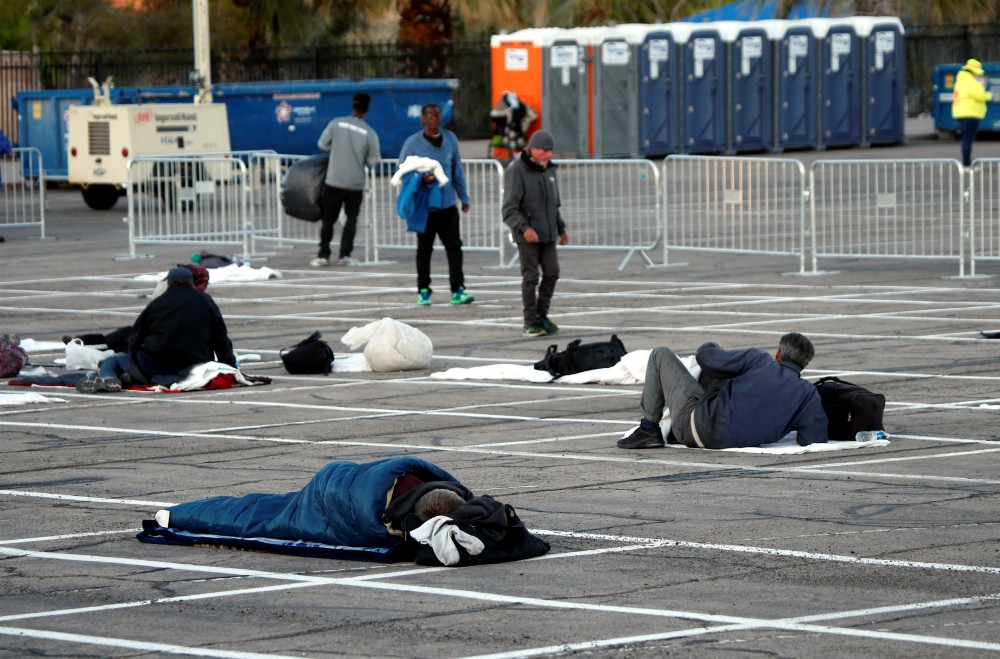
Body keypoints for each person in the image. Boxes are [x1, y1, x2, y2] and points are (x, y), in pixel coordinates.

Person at [618, 332, 829, 450]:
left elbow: (705, 358)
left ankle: (648, 430)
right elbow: (812, 438)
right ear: (805, 364)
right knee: (721, 374)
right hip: (730, 440)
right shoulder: (808, 394)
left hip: (696, 427)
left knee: (660, 355)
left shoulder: (759, 360)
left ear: (778, 353)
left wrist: (711, 345)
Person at [76, 267, 236, 393]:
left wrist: (133, 356)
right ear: (191, 283)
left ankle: (108, 377)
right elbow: (220, 337)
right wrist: (229, 366)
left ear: (169, 283)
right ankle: (116, 376)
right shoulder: (205, 301)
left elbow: (136, 335)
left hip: (155, 364)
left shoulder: (159, 303)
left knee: (114, 360)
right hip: (194, 364)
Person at [398, 103, 474, 306]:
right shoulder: (412, 143)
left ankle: (457, 290)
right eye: (430, 115)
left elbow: (457, 169)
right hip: (425, 207)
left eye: (437, 115)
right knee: (425, 249)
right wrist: (420, 179)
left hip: (447, 205)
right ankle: (423, 290)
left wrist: (464, 197)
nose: (434, 119)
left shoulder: (450, 139)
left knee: (454, 247)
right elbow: (402, 170)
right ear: (423, 119)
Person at [502, 129, 569, 337]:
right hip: (527, 235)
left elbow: (553, 204)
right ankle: (529, 321)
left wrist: (561, 228)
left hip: (547, 233)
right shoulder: (517, 170)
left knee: (552, 273)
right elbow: (509, 209)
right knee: (530, 277)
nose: (549, 155)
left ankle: (542, 315)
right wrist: (525, 228)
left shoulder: (549, 169)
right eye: (545, 151)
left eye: (551, 151)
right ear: (533, 149)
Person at [311, 92, 381, 267]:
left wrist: (336, 151)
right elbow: (373, 160)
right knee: (351, 219)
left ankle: (323, 254)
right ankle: (345, 254)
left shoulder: (336, 123)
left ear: (353, 107)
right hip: (355, 183)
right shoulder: (369, 132)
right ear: (366, 110)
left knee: (328, 219)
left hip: (334, 180)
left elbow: (322, 144)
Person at [952, 58, 993, 170]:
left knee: (966, 139)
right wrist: (990, 95)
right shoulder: (971, 82)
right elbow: (981, 95)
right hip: (971, 113)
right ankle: (967, 164)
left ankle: (966, 163)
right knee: (968, 140)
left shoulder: (960, 81)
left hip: (960, 113)